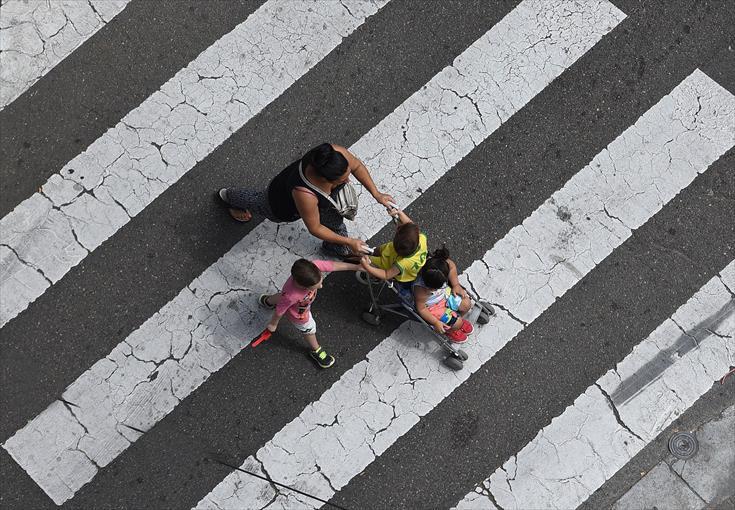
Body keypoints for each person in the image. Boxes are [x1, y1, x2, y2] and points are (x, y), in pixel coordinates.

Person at [219, 143, 394, 258]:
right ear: (325, 180)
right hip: (281, 203)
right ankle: (229, 196)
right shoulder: (305, 195)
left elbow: (356, 165)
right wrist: (349, 242)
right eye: (342, 180)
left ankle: (335, 247)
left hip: (326, 204)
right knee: (259, 202)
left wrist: (377, 194)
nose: (348, 181)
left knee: (336, 226)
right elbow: (315, 227)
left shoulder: (333, 154)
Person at [259, 258, 360, 368]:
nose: (321, 286)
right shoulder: (292, 295)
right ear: (303, 287)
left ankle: (267, 301)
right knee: (309, 329)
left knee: (281, 298)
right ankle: (316, 350)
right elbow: (280, 311)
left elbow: (333, 265)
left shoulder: (312, 268)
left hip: (290, 300)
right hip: (300, 314)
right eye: (316, 286)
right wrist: (273, 324)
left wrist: (356, 267)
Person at [359, 206, 427, 295]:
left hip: (391, 266)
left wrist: (367, 267)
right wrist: (399, 213)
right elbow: (410, 225)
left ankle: (373, 275)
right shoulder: (421, 238)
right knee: (380, 250)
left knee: (367, 259)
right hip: (403, 261)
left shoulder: (402, 263)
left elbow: (386, 274)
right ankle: (372, 253)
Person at [412, 246, 474, 343]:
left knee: (466, 304)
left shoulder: (442, 264)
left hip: (446, 294)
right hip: (434, 307)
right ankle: (451, 330)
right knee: (456, 323)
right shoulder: (420, 289)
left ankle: (456, 321)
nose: (433, 289)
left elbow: (452, 267)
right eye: (433, 288)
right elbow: (422, 309)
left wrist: (456, 285)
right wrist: (435, 322)